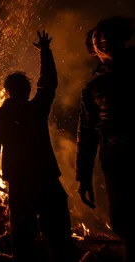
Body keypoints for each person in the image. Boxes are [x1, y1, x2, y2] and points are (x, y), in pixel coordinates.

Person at [0, 31, 74, 261]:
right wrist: (45, 51)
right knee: (59, 242)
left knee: (23, 245)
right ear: (27, 90)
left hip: (23, 187)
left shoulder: (0, 118)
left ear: (7, 91)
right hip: (47, 182)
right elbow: (49, 83)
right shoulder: (36, 109)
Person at [76, 16, 135, 261]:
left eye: (107, 34)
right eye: (97, 39)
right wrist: (83, 176)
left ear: (121, 37)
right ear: (93, 50)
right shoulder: (94, 88)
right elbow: (87, 134)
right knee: (125, 225)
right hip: (118, 165)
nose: (103, 40)